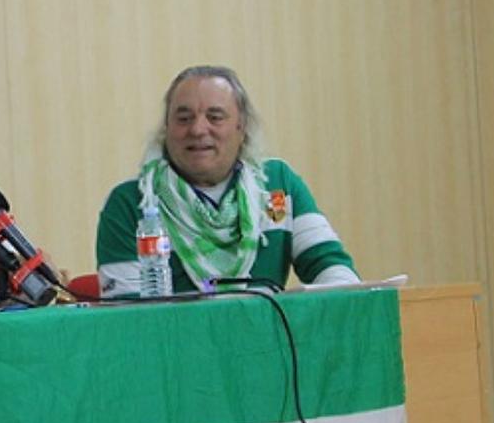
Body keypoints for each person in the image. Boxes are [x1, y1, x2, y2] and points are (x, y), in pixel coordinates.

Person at [95, 65, 358, 296]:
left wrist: (349, 300)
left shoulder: (277, 184)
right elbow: (127, 319)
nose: (198, 130)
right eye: (184, 119)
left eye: (215, 117)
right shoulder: (131, 203)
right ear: (167, 129)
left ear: (241, 127)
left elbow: (332, 270)